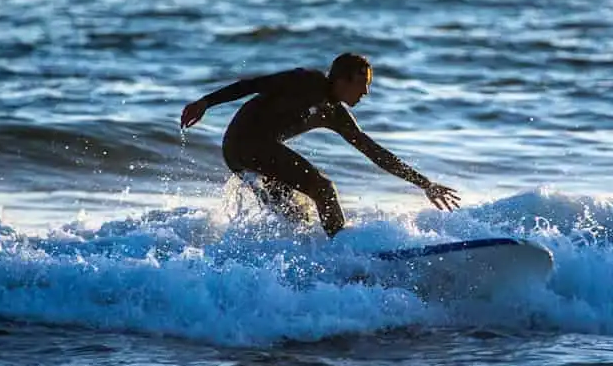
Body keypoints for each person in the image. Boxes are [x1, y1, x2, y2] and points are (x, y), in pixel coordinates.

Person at [179, 53, 460, 237]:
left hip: (248, 153)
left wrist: (424, 183)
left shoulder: (336, 114)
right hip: (244, 143)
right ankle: (343, 250)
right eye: (362, 83)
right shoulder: (304, 81)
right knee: (323, 188)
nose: (365, 92)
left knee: (299, 215)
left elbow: (374, 152)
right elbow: (253, 84)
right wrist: (206, 102)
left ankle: (307, 264)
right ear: (342, 80)